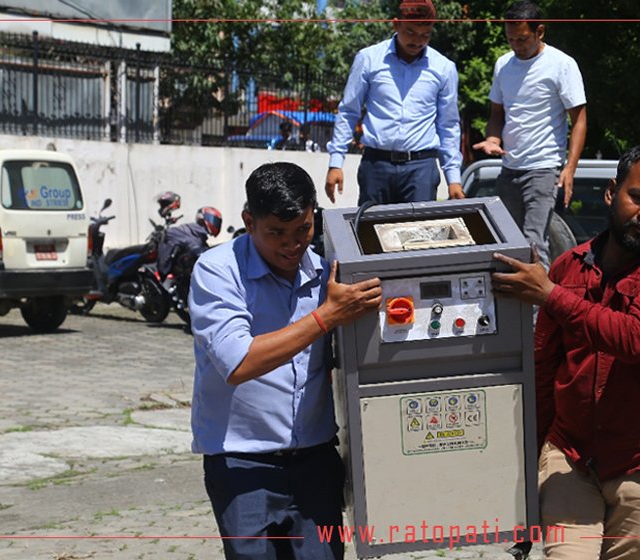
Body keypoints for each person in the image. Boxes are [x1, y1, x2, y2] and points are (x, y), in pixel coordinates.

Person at [491, 145, 640, 560]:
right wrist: (522, 489)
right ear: (612, 193)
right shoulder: (568, 268)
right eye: (638, 197)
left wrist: (550, 296)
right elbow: (542, 372)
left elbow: (634, 338)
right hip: (570, 456)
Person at [189, 162, 382, 560]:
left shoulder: (329, 272)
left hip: (316, 463)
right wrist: (325, 317)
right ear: (248, 221)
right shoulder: (218, 271)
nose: (292, 245)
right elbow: (238, 363)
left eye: (303, 230)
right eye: (276, 233)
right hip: (242, 466)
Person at [473, 0, 587, 269]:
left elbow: (579, 119)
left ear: (540, 32)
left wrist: (569, 168)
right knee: (505, 244)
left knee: (533, 244)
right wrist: (493, 139)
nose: (516, 45)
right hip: (510, 167)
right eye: (510, 39)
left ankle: (538, 312)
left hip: (543, 167)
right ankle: (513, 310)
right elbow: (497, 114)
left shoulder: (561, 64)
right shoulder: (503, 65)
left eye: (522, 39)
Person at [324, 0, 464, 204]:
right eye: (410, 32)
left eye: (425, 35)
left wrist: (454, 179)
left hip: (420, 170)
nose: (417, 41)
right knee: (371, 232)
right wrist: (336, 162)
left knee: (419, 233)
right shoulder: (369, 59)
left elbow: (448, 125)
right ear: (396, 24)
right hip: (376, 167)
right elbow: (349, 111)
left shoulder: (444, 68)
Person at [157, 206, 221, 277]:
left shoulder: (196, 232)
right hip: (171, 272)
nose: (216, 224)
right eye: (215, 220)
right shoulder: (193, 234)